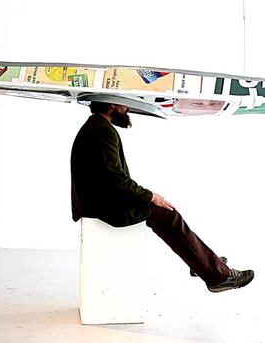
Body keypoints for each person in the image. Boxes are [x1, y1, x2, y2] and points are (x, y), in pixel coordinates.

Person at [70, 101, 254, 292]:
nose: (128, 108)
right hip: (105, 206)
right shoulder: (103, 131)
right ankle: (218, 276)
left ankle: (202, 263)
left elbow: (109, 178)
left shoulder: (94, 126)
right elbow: (115, 179)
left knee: (166, 215)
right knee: (169, 215)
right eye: (124, 104)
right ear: (111, 105)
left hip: (96, 201)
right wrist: (150, 196)